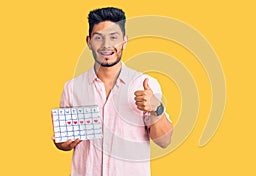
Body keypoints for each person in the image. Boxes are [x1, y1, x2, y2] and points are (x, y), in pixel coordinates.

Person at [53, 7, 173, 176]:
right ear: (88, 42)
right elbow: (62, 140)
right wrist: (63, 144)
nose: (106, 45)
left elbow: (164, 141)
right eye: (98, 38)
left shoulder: (144, 84)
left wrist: (156, 108)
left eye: (114, 37)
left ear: (124, 41)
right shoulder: (72, 88)